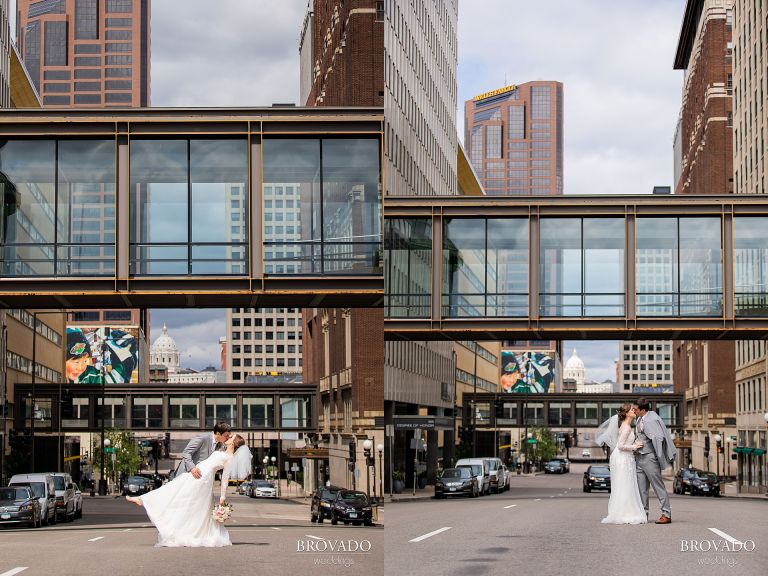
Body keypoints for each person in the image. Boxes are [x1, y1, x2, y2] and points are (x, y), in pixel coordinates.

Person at [126, 434, 252, 547]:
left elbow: (224, 478)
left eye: (231, 437)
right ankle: (144, 500)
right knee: (178, 494)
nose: (228, 437)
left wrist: (222, 497)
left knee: (177, 493)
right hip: (196, 473)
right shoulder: (222, 450)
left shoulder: (229, 458)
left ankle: (144, 500)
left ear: (233, 443)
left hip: (202, 479)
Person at [597, 404, 647, 525]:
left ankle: (621, 512)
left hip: (623, 458)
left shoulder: (626, 426)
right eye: (631, 410)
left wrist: (634, 443)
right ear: (626, 413)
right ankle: (624, 513)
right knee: (624, 484)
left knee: (623, 484)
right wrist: (634, 446)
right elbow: (620, 446)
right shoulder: (626, 428)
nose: (634, 411)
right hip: (622, 458)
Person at [633, 397, 677, 524]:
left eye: (636, 409)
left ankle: (666, 514)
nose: (634, 411)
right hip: (639, 458)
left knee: (658, 487)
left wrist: (658, 457)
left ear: (642, 409)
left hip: (650, 458)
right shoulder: (640, 418)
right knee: (642, 489)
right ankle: (643, 515)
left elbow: (658, 438)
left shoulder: (651, 419)